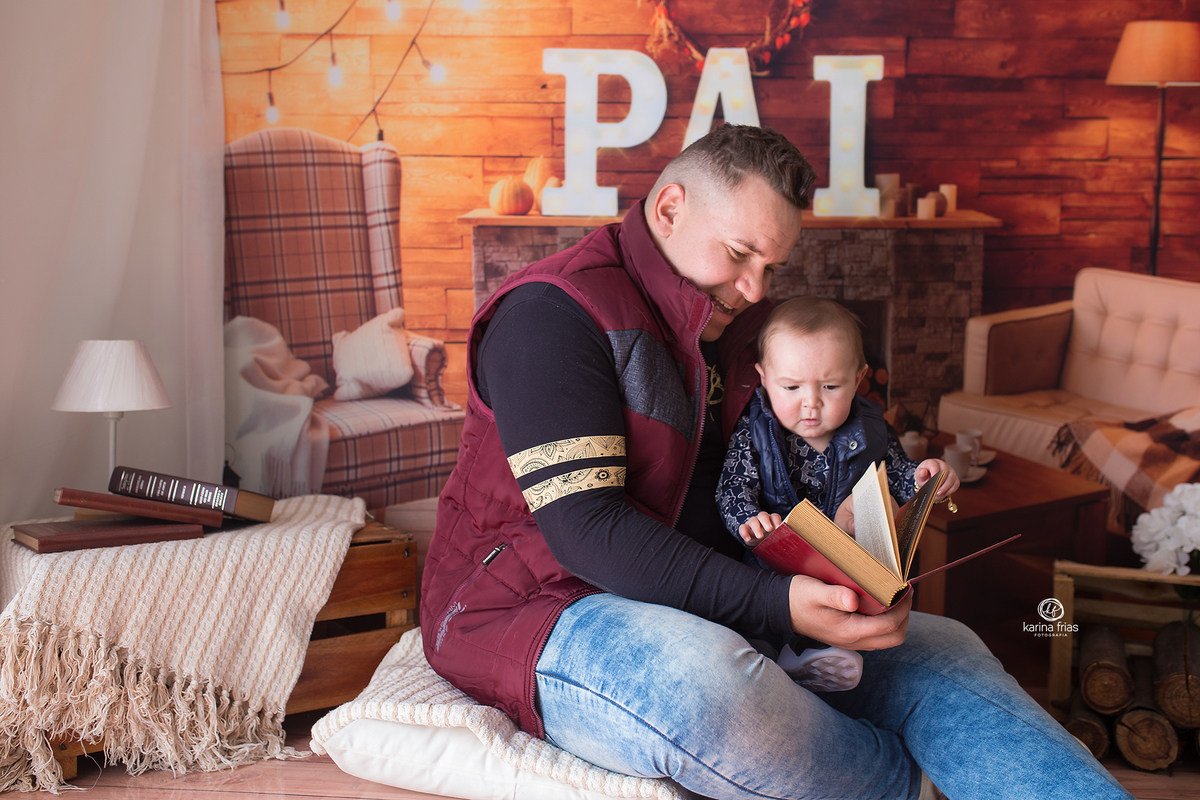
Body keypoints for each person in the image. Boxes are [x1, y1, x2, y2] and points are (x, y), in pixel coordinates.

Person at [420, 123, 1133, 800]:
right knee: (709, 688)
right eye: (738, 255)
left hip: (722, 589)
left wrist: (867, 541)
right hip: (535, 605)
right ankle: (911, 785)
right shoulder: (551, 313)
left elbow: (817, 458)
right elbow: (586, 530)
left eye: (773, 265)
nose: (758, 288)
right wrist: (776, 604)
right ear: (670, 208)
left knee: (945, 650)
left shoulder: (748, 326)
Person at [716, 296, 961, 692]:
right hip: (778, 564)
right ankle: (776, 662)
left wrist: (925, 478)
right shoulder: (756, 431)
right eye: (791, 386)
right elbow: (733, 485)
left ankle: (824, 654)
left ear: (859, 377)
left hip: (846, 563)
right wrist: (748, 518)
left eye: (830, 386)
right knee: (755, 623)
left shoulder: (871, 430)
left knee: (859, 596)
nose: (811, 403)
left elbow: (894, 473)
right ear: (763, 377)